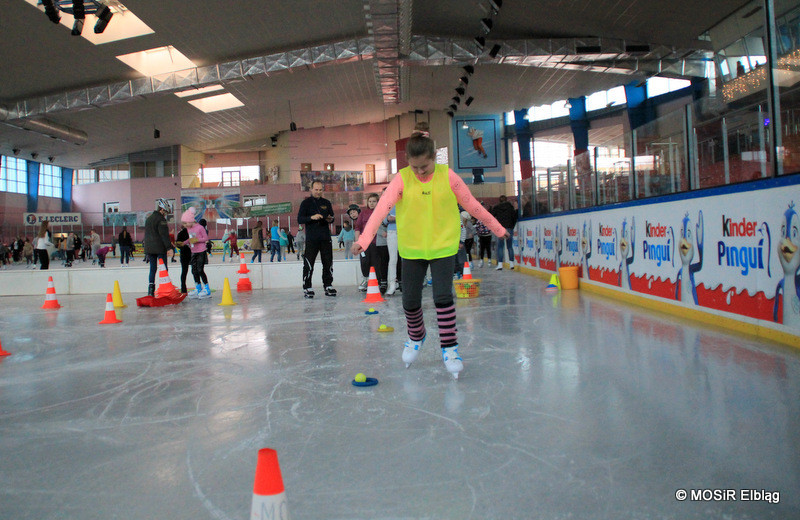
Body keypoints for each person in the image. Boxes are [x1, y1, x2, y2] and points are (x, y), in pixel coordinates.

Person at [351, 122, 508, 379]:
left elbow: (473, 206)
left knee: (442, 298)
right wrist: (365, 240)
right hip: (412, 248)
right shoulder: (402, 178)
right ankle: (416, 336)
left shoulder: (448, 176)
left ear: (434, 157)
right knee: (409, 300)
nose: (420, 171)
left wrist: (498, 229)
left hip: (443, 246)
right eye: (414, 167)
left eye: (424, 166)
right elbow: (380, 211)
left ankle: (450, 348)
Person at [297, 179, 336, 298]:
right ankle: (307, 286)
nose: (318, 192)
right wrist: (311, 217)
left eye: (320, 190)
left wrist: (330, 219)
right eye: (316, 190)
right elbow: (300, 219)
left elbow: (332, 217)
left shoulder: (326, 202)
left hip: (325, 237)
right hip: (312, 239)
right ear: (311, 189)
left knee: (328, 262)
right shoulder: (305, 203)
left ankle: (328, 285)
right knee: (309, 263)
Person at [143, 198, 173, 297]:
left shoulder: (149, 219)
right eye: (165, 212)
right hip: (160, 248)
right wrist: (169, 248)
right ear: (162, 209)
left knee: (152, 269)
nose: (165, 214)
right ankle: (165, 288)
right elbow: (164, 235)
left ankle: (150, 291)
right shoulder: (161, 220)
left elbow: (147, 234)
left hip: (150, 248)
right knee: (164, 268)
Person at [354, 193, 382, 291]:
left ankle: (377, 281)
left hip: (376, 242)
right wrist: (358, 242)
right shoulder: (363, 213)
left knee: (376, 262)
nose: (371, 203)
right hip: (364, 243)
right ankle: (365, 280)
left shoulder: (381, 213)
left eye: (374, 201)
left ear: (378, 202)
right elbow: (357, 227)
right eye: (370, 201)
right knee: (364, 261)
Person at [182, 208, 211, 299]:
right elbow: (191, 239)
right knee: (193, 270)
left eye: (186, 223)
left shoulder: (200, 228)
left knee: (200, 270)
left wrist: (197, 240)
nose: (185, 225)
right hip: (193, 251)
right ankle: (198, 287)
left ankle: (207, 288)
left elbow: (205, 238)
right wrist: (184, 243)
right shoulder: (188, 228)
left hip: (201, 251)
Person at [492, 194, 518, 270]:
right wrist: (511, 226)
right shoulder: (510, 208)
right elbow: (514, 217)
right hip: (509, 228)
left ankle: (500, 264)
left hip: (500, 229)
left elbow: (492, 217)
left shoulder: (496, 208)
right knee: (509, 246)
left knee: (500, 246)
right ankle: (511, 264)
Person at [174, 214, 193, 294]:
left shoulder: (189, 232)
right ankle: (185, 288)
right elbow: (178, 244)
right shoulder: (183, 233)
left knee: (186, 271)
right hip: (187, 254)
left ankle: (184, 288)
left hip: (187, 254)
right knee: (188, 271)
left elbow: (178, 244)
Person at [384, 206, 400, 295]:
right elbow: (383, 219)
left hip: (406, 231)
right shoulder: (389, 202)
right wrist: (388, 218)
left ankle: (408, 282)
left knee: (408, 258)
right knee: (393, 259)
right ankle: (392, 284)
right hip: (392, 232)